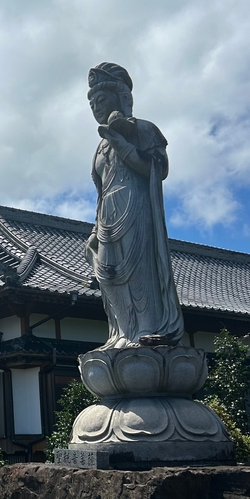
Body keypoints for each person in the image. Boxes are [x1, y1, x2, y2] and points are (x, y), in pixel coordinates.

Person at [85, 62, 184, 349]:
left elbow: (156, 169)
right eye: (91, 103)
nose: (96, 107)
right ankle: (122, 333)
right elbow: (101, 190)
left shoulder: (142, 129)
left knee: (139, 273)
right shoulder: (99, 147)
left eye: (101, 99)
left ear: (122, 98)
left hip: (136, 206)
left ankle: (148, 329)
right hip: (108, 215)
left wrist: (121, 142)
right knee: (109, 275)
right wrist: (96, 227)